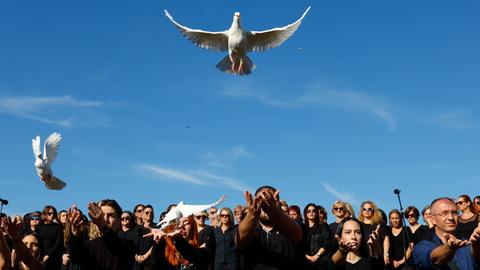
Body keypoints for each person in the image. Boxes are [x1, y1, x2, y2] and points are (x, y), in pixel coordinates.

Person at [235, 185, 304, 270]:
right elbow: (241, 241)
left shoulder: (293, 224)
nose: (265, 203)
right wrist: (252, 214)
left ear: (278, 203)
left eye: (269, 199)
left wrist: (273, 211)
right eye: (261, 200)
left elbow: (296, 235)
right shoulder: (250, 229)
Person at [412, 197, 480, 269]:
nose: (451, 217)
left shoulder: (466, 244)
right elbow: (435, 258)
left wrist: (476, 244)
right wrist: (449, 248)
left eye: (454, 213)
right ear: (433, 219)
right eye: (444, 213)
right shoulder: (422, 247)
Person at [68, 199, 135, 270]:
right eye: (102, 215)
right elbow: (75, 255)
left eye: (111, 215)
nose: (105, 219)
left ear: (119, 220)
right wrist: (75, 233)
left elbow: (116, 246)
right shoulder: (89, 245)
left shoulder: (128, 244)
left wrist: (103, 226)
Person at [303, 203, 332, 270]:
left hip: (322, 262)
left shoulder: (323, 226)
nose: (311, 212)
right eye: (309, 211)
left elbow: (327, 243)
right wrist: (308, 257)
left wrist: (316, 256)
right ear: (306, 214)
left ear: (316, 213)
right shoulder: (303, 228)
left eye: (313, 211)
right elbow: (300, 246)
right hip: (306, 262)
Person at [37, 206, 63, 270]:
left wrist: (48, 254)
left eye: (53, 213)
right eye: (49, 213)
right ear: (45, 214)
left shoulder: (58, 227)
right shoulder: (39, 227)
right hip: (40, 256)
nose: (52, 215)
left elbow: (58, 242)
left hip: (54, 257)